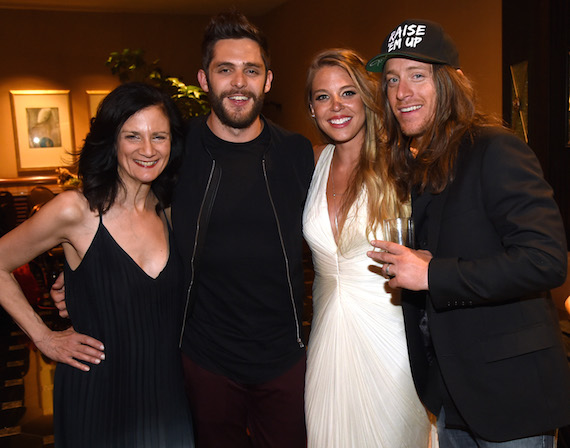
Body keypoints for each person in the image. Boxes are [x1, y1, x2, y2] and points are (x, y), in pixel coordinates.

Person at [366, 18, 570, 447]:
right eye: (392, 80)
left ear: (451, 82)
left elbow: (545, 260)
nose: (402, 92)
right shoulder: (417, 164)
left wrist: (433, 274)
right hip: (451, 396)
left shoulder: (496, 148)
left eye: (418, 75)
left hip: (510, 399)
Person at [2, 82, 194, 447]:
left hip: (167, 395)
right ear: (112, 141)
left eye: (160, 136)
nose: (149, 150)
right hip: (98, 396)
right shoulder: (77, 210)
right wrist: (43, 337)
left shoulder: (170, 211)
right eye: (133, 136)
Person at [171, 11, 313, 448]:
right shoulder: (176, 150)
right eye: (225, 69)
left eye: (251, 70)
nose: (238, 82)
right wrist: (78, 264)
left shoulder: (296, 152)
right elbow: (125, 211)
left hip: (284, 355)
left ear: (267, 80)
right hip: (205, 357)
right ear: (203, 78)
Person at [302, 48, 432, 447]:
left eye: (348, 92)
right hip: (325, 344)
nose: (336, 106)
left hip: (390, 345)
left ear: (368, 97)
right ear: (311, 108)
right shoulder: (314, 162)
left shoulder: (402, 165)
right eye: (323, 97)